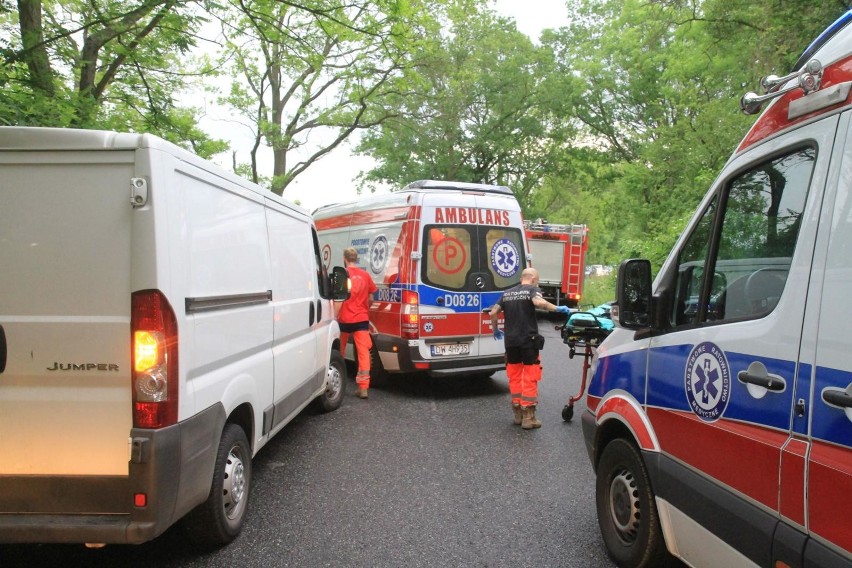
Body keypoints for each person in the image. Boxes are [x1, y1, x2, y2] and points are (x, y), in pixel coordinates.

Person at [489, 267, 570, 428]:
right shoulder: (532, 290)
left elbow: (493, 313)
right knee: (530, 376)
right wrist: (557, 308)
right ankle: (528, 417)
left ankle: (517, 414)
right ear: (533, 279)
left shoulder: (507, 293)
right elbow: (538, 302)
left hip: (510, 342)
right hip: (528, 341)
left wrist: (496, 330)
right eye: (537, 280)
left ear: (522, 278)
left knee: (515, 376)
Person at [336, 247, 378, 399]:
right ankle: (364, 388)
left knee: (338, 352)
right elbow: (372, 297)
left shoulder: (342, 275)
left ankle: (338, 384)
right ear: (356, 258)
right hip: (361, 318)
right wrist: (365, 308)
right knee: (363, 353)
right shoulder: (365, 275)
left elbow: (339, 299)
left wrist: (334, 316)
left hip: (344, 319)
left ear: (344, 258)